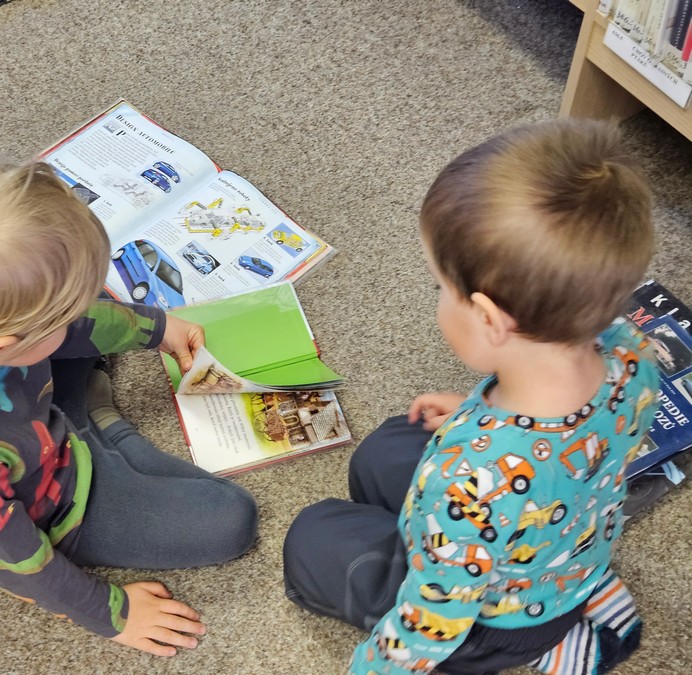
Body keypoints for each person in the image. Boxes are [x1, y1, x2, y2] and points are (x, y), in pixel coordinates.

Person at [283, 119, 660, 675]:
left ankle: (550, 644)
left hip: (491, 623)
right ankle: (578, 595)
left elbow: (432, 621)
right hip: (562, 541)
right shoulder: (631, 352)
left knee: (311, 538)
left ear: (487, 318)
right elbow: (570, 443)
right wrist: (475, 414)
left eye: (441, 286)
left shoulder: (466, 477)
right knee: (386, 448)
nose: (438, 296)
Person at [0, 156, 258, 657]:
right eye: (60, 320)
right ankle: (102, 423)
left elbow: (65, 321)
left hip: (39, 419)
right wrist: (111, 612)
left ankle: (86, 414)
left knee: (71, 284)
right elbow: (21, 567)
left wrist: (158, 328)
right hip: (59, 505)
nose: (73, 317)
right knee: (232, 519)